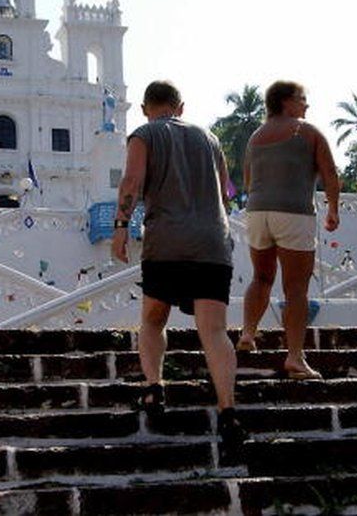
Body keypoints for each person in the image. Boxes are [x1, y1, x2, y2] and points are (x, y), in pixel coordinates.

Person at [111, 80, 246, 452]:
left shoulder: (144, 134)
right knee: (214, 331)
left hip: (166, 240)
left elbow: (131, 182)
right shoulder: (210, 138)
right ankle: (228, 410)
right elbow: (226, 193)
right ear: (180, 107)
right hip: (212, 243)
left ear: (144, 108)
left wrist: (121, 227)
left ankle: (155, 388)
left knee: (154, 318)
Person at [236, 81, 340, 379]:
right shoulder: (306, 131)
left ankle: (247, 334)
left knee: (261, 276)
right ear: (287, 102)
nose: (307, 105)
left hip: (257, 212)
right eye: (303, 99)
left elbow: (246, 179)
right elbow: (330, 172)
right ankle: (295, 357)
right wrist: (332, 208)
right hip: (293, 212)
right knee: (296, 288)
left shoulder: (255, 136)